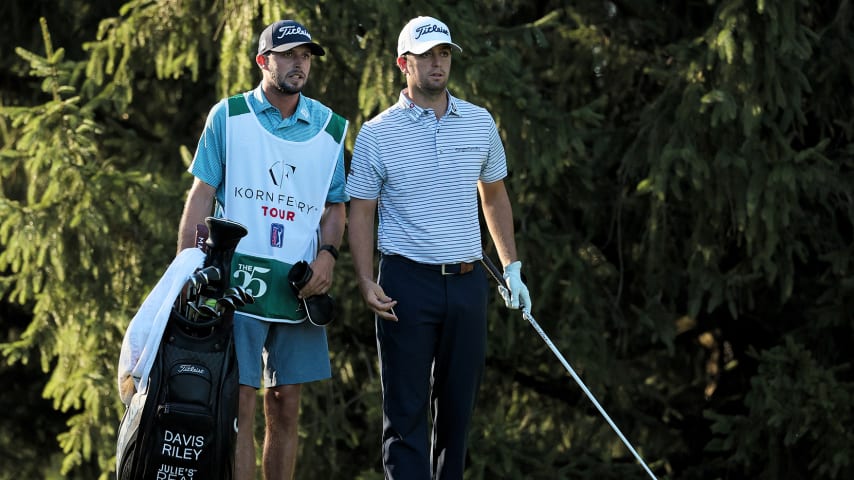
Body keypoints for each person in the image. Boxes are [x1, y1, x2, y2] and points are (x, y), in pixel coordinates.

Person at [346, 15, 533, 480]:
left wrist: (511, 267)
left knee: (456, 413)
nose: (437, 63)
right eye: (426, 55)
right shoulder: (377, 133)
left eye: (444, 54)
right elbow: (362, 211)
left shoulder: (479, 122)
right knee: (405, 414)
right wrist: (366, 279)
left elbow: (493, 195)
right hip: (406, 284)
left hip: (468, 285)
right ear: (402, 64)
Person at [176, 19, 348, 480]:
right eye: (289, 54)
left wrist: (328, 255)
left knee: (286, 405)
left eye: (306, 55)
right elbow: (201, 195)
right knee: (241, 404)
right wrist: (185, 270)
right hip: (237, 280)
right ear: (263, 61)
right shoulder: (228, 116)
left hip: (299, 286)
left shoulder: (330, 128)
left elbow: (336, 206)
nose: (299, 63)